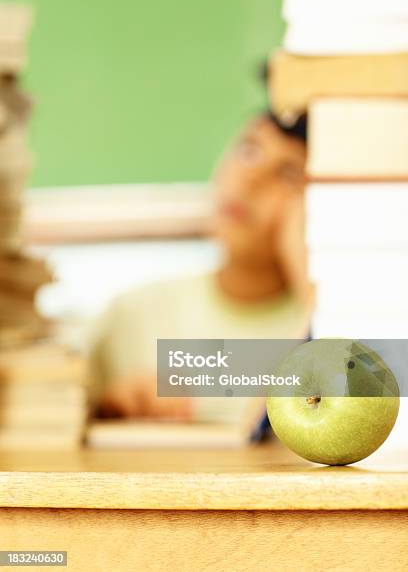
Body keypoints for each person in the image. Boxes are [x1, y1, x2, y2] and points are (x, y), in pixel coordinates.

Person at [89, 111, 313, 420]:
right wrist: (109, 409)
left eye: (288, 174)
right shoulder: (132, 316)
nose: (253, 178)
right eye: (249, 150)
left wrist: (308, 271)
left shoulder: (320, 325)